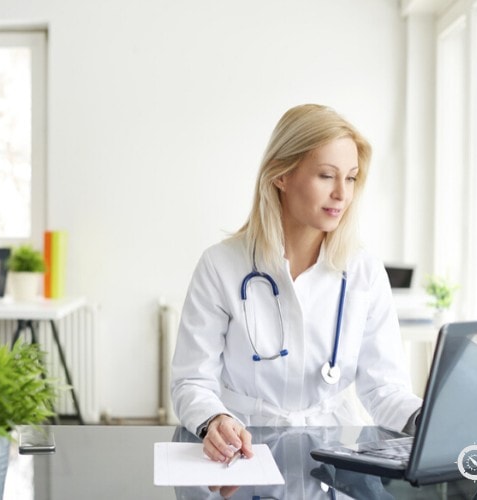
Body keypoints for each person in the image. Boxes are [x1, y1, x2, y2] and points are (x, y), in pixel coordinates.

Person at [170, 104, 423, 466]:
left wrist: (426, 419)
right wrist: (215, 419)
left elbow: (384, 388)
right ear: (281, 176)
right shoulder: (221, 265)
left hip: (335, 456)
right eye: (326, 175)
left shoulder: (363, 270)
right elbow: (192, 381)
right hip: (244, 451)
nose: (342, 194)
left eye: (350, 178)